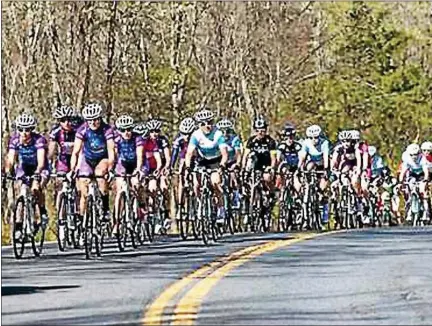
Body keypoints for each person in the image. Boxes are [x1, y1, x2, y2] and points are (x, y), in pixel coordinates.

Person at [67, 103, 115, 223]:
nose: (93, 122)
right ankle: (83, 220)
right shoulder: (82, 130)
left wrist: (110, 169)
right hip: (87, 159)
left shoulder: (107, 129)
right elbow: (76, 152)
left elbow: (111, 151)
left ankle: (105, 208)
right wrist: (72, 170)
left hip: (102, 158)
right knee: (84, 188)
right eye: (90, 120)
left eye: (96, 119)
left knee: (100, 175)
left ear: (100, 118)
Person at [5, 113, 50, 237]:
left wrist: (37, 173)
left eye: (27, 129)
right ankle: (19, 226)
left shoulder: (39, 140)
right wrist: (9, 172)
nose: (24, 132)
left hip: (40, 167)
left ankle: (42, 211)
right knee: (21, 191)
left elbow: (41, 161)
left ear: (32, 130)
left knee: (36, 188)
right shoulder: (14, 140)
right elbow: (11, 159)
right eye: (21, 129)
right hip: (24, 167)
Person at [184, 108, 229, 224]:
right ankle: (200, 204)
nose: (206, 126)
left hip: (216, 161)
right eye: (203, 124)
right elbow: (189, 154)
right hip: (202, 161)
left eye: (209, 122)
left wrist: (222, 166)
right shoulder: (196, 135)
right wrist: (188, 168)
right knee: (196, 184)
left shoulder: (218, 134)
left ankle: (221, 210)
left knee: (215, 182)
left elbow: (224, 154)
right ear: (199, 125)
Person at [112, 115, 145, 234]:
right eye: (123, 130)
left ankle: (141, 203)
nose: (126, 132)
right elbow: (114, 155)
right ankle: (116, 222)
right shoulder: (116, 139)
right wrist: (112, 170)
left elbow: (140, 155)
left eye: (129, 129)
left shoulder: (138, 138)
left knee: (136, 183)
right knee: (119, 190)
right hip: (122, 164)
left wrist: (139, 169)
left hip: (135, 163)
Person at [171, 117, 196, 220]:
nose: (186, 136)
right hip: (184, 158)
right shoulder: (179, 138)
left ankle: (196, 204)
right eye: (184, 133)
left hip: (196, 158)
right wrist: (171, 167)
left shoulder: (197, 137)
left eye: (189, 134)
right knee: (181, 177)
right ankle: (181, 206)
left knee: (196, 180)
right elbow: (175, 153)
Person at [399, 143, 430, 221]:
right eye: (412, 155)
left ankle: (426, 213)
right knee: (410, 189)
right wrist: (401, 182)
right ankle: (409, 213)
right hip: (412, 174)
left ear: (419, 153)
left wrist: (425, 180)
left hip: (421, 174)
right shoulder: (406, 158)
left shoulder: (423, 158)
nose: (414, 157)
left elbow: (426, 172)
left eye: (416, 154)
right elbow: (403, 172)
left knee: (422, 191)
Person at [216, 118, 243, 208]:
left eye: (227, 131)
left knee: (233, 175)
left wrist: (238, 164)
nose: (225, 134)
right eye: (222, 131)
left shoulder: (234, 139)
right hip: (220, 163)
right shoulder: (216, 139)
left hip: (232, 162)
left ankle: (236, 194)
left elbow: (238, 154)